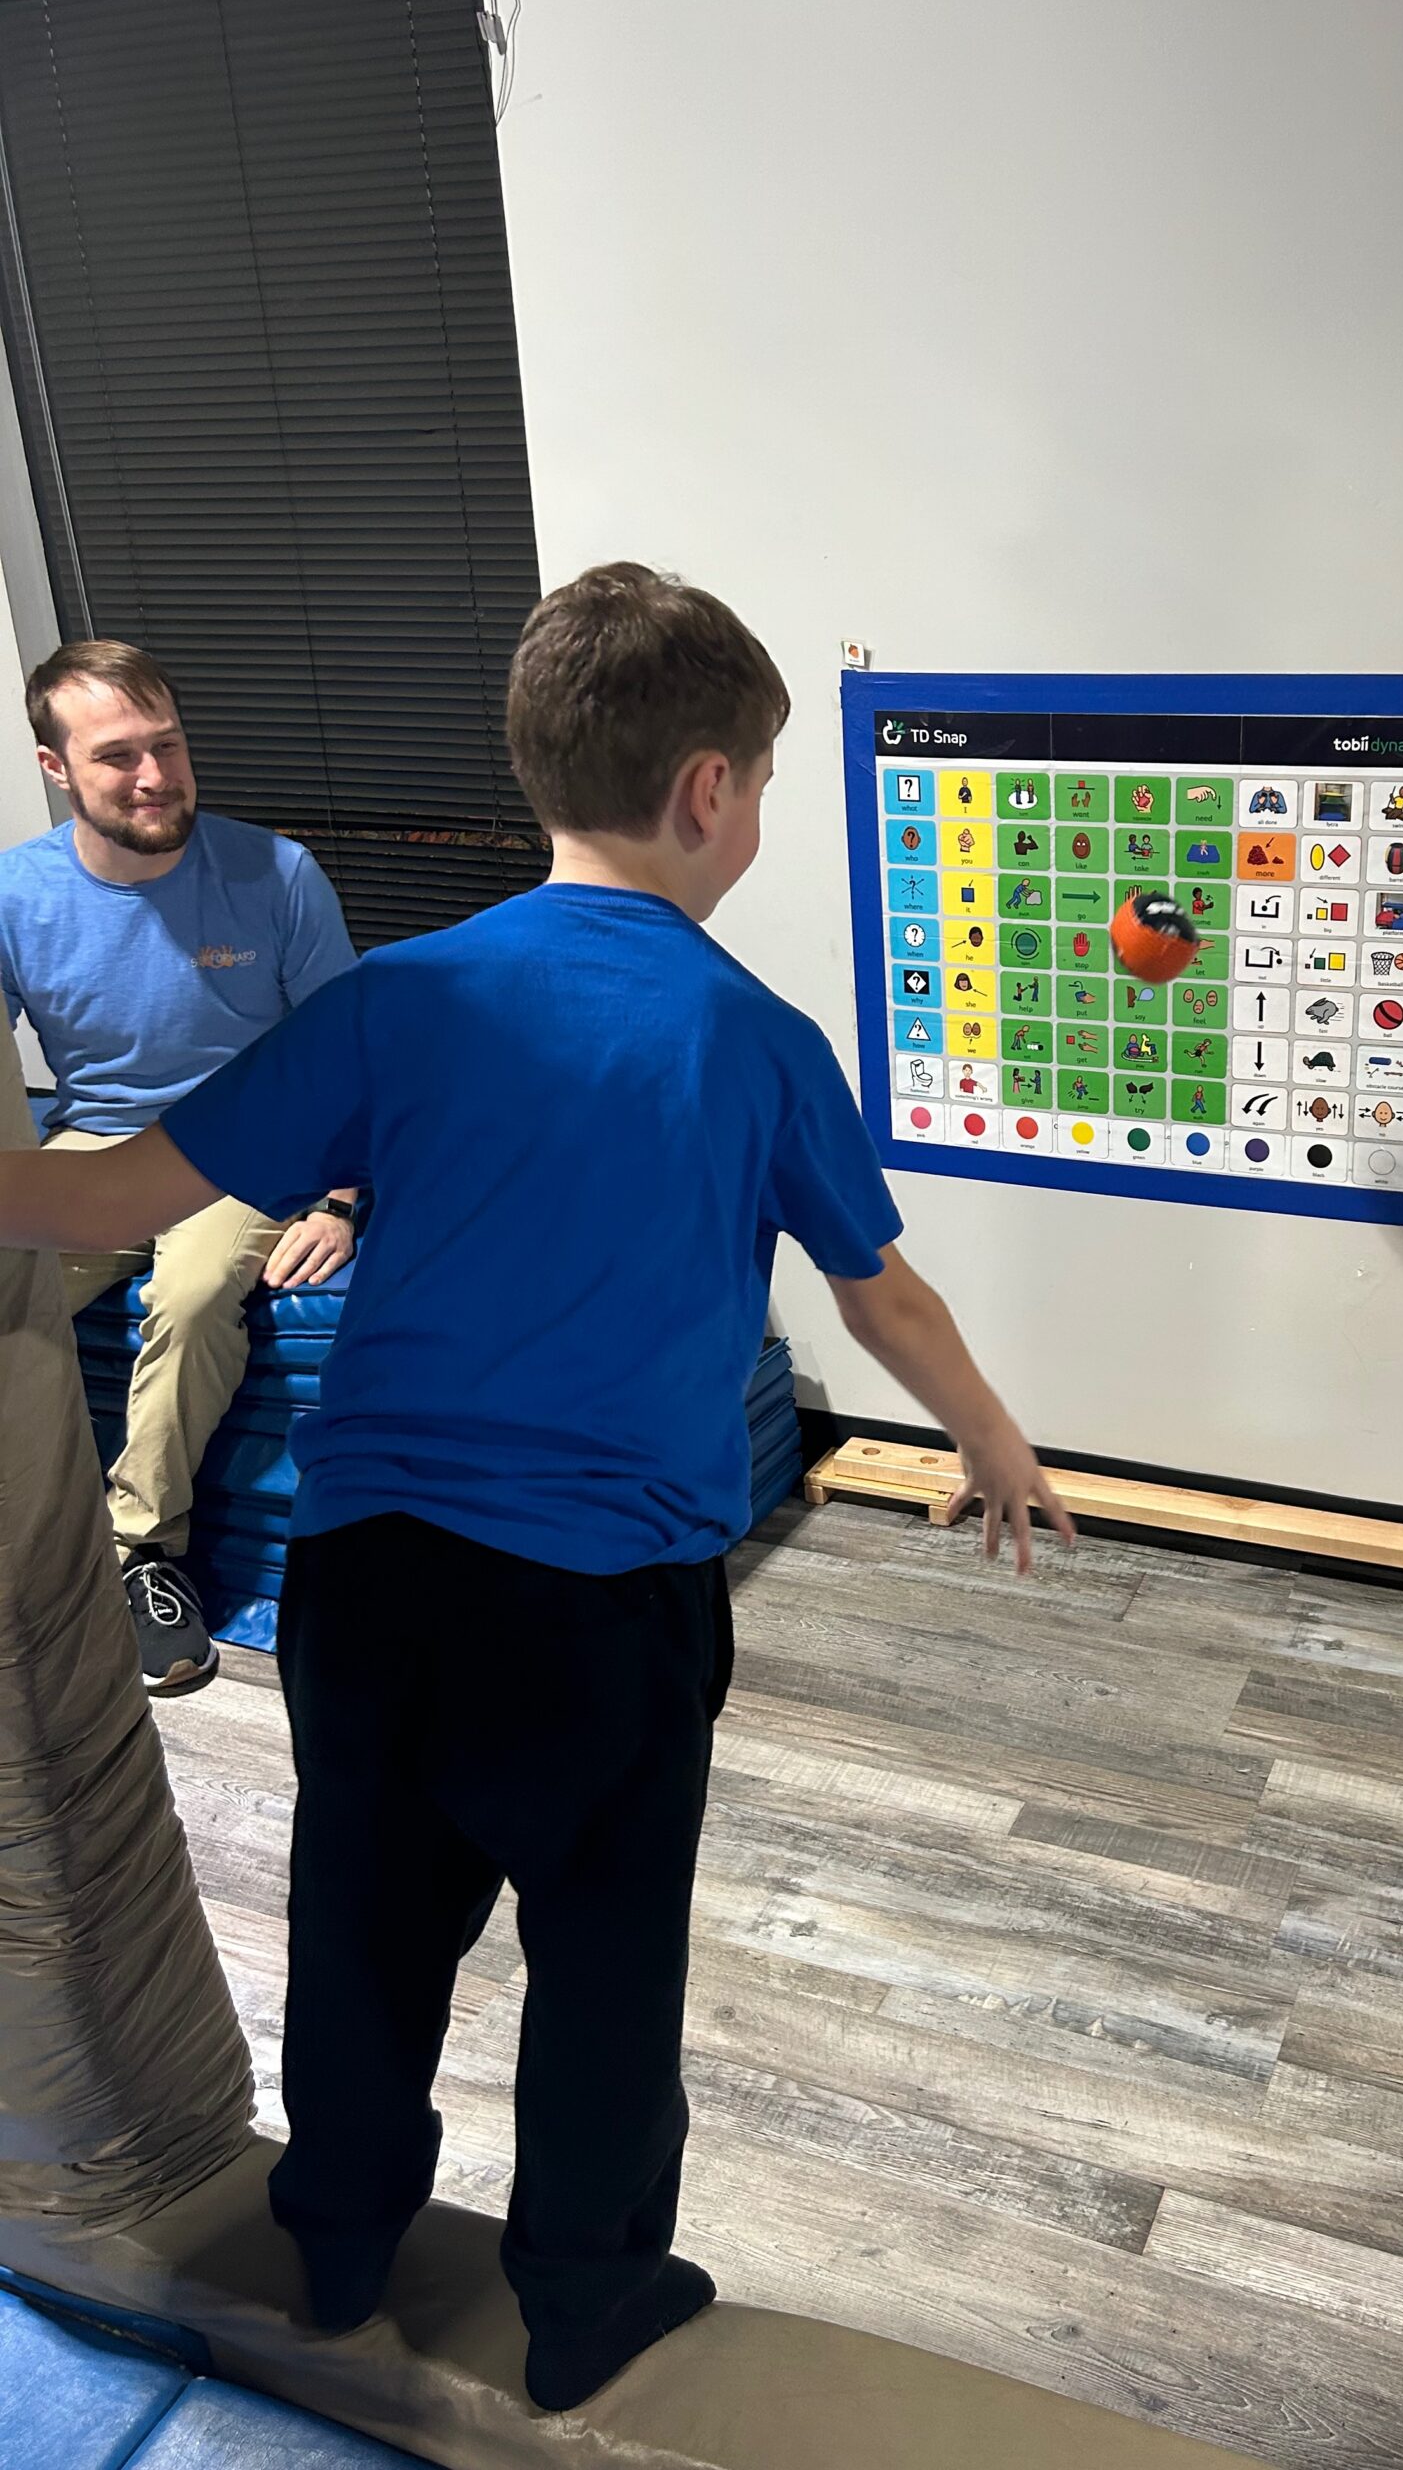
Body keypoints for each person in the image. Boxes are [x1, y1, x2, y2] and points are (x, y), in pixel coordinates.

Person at [0, 565, 1071, 2413]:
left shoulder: (399, 996)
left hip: (371, 1583)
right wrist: (990, 1436)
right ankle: (587, 2302)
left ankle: (338, 2243)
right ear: (712, 792)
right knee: (602, 1971)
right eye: (764, 786)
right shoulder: (758, 1039)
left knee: (362, 1939)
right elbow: (879, 1291)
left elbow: (101, 1200)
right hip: (603, 1610)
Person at [0, 642, 360, 1696]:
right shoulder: (16, 893)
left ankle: (140, 1554)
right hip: (96, 1146)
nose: (156, 775)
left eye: (168, 745)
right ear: (56, 767)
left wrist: (341, 1203)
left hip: (240, 1147)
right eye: (119, 756)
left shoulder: (277, 874)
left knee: (196, 1296)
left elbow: (347, 1054)